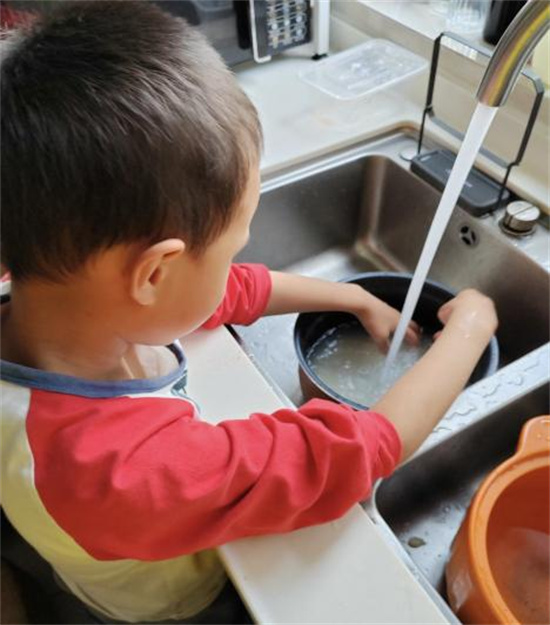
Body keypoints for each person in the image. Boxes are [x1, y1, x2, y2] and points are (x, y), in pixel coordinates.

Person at [0, 2, 498, 623]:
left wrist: (352, 296)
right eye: (231, 247)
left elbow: (223, 293)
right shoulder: (122, 471)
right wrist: (470, 330)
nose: (233, 264)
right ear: (154, 273)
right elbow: (357, 452)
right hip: (174, 602)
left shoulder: (54, 302)